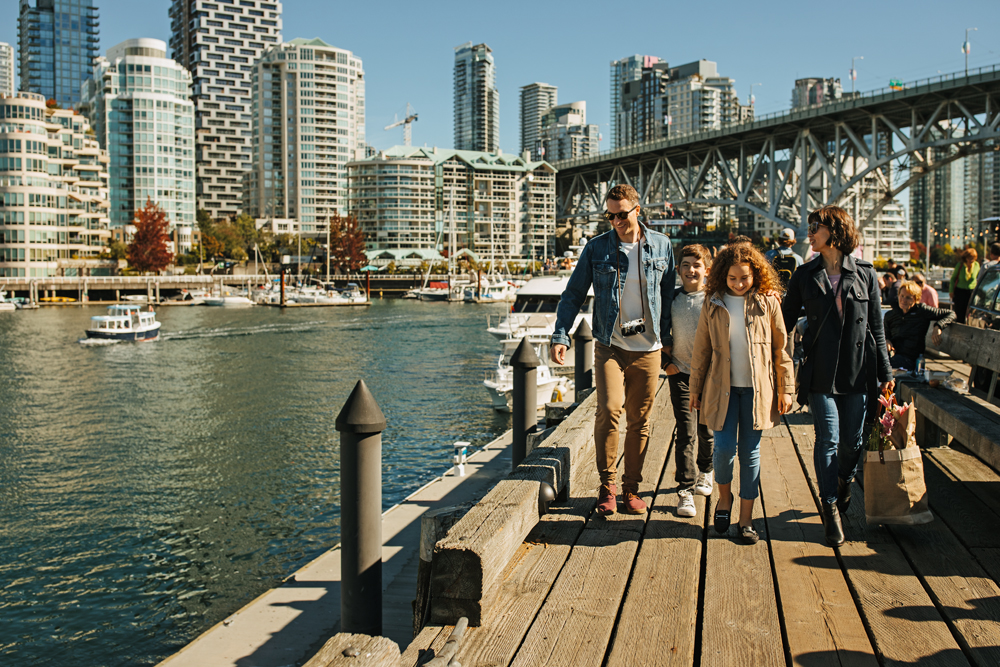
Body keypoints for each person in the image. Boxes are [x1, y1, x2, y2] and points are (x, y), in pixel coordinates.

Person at [550, 184, 676, 516]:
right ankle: (607, 487)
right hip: (611, 345)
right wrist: (561, 335)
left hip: (648, 348)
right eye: (610, 215)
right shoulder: (597, 248)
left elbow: (668, 296)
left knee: (640, 420)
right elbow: (573, 294)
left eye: (622, 214)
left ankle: (631, 488)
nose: (617, 221)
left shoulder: (661, 245)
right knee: (608, 410)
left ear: (637, 210)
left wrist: (670, 340)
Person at [781, 206, 893, 548]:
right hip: (820, 371)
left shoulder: (865, 274)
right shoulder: (804, 274)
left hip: (858, 371)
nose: (809, 232)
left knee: (852, 442)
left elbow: (876, 328)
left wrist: (886, 373)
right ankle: (829, 506)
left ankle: (845, 480)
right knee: (827, 438)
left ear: (835, 231)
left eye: (815, 226)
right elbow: (783, 322)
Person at [689, 244, 794, 545]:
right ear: (723, 275)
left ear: (755, 274)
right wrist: (695, 388)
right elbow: (701, 349)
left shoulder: (768, 302)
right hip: (721, 390)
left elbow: (781, 348)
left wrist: (786, 389)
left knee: (750, 454)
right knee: (723, 450)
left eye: (744, 278)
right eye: (732, 278)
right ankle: (725, 499)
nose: (738, 283)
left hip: (757, 391)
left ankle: (746, 520)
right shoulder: (713, 302)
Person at [663, 244, 715, 518]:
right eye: (685, 265)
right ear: (678, 269)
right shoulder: (671, 299)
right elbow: (659, 331)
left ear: (707, 270)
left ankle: (706, 470)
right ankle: (685, 490)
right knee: (686, 431)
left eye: (697, 265)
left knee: (707, 430)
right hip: (681, 374)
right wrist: (666, 364)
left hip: (710, 376)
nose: (691, 270)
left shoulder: (715, 298)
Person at [884, 281, 955, 369]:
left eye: (908, 298)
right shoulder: (891, 315)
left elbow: (951, 313)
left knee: (882, 367)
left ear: (916, 299)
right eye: (902, 296)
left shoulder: (922, 311)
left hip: (912, 360)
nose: (903, 300)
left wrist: (938, 326)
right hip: (894, 356)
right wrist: (887, 340)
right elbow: (885, 333)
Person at [949, 247, 979, 324]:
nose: (971, 260)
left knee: (970, 312)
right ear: (965, 258)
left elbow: (977, 278)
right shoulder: (960, 265)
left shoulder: (976, 265)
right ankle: (959, 326)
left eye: (973, 258)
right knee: (959, 312)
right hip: (960, 291)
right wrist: (951, 291)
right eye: (969, 258)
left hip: (971, 291)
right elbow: (953, 279)